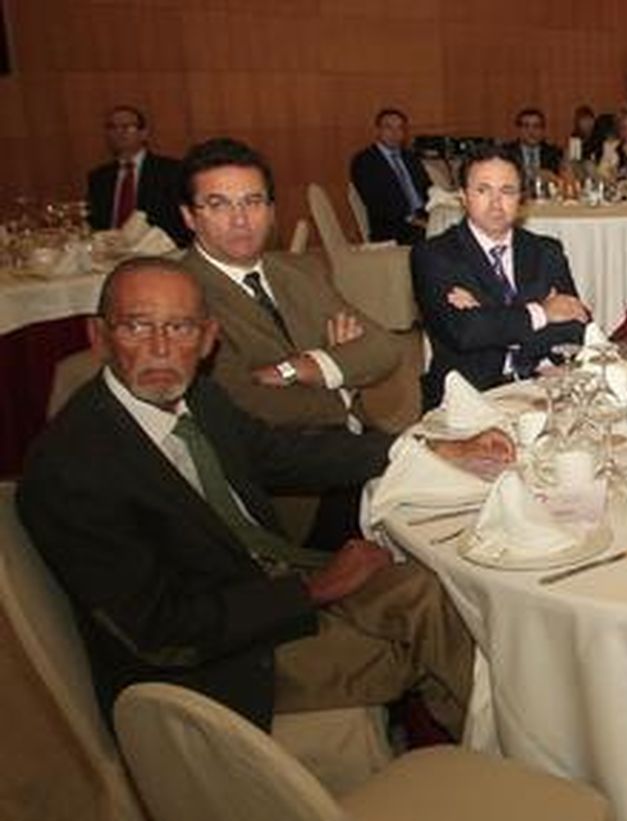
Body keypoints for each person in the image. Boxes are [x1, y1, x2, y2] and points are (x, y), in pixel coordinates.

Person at [18, 257, 514, 737]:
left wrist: (431, 448)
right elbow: (160, 631)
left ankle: (488, 747)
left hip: (267, 580)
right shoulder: (71, 468)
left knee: (433, 590)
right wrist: (316, 588)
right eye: (137, 327)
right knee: (420, 647)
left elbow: (285, 452)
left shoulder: (197, 397)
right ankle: (495, 769)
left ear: (209, 338)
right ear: (99, 337)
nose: (161, 349)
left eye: (181, 328)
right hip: (215, 663)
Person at [177, 138, 402, 548]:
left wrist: (299, 368)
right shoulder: (181, 295)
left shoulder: (300, 269)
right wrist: (343, 377)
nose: (240, 219)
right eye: (218, 204)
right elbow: (242, 405)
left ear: (272, 209)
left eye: (253, 201)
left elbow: (385, 348)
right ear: (189, 217)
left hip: (357, 446)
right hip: (291, 494)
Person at [410, 145, 590, 409]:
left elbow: (574, 327)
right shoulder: (434, 255)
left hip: (541, 387)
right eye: (483, 190)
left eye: (507, 191)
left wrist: (488, 314)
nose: (496, 203)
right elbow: (465, 333)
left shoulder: (545, 250)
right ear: (463, 197)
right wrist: (542, 313)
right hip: (468, 398)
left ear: (521, 200)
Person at [85, 105, 191, 245]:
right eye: (112, 127)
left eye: (126, 127)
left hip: (157, 250)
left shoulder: (170, 171)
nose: (119, 132)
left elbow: (180, 221)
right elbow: (93, 222)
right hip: (109, 252)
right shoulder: (99, 177)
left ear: (144, 133)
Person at [348, 108, 431, 245]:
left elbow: (427, 188)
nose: (395, 133)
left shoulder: (411, 158)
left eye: (400, 128)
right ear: (378, 130)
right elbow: (376, 202)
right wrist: (412, 219)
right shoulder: (365, 161)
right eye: (388, 127)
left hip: (423, 217)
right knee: (432, 239)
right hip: (391, 226)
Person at [505, 107, 561, 192]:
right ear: (519, 130)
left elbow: (563, 183)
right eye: (526, 126)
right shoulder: (507, 153)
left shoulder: (554, 153)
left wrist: (553, 178)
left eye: (536, 126)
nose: (531, 131)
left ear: (543, 130)